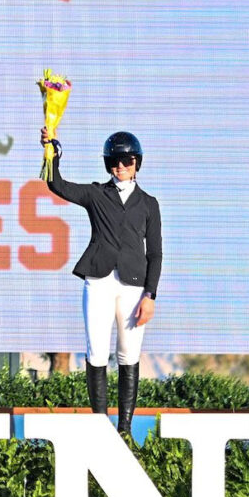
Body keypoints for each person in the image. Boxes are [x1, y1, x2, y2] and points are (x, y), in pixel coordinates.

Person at [39, 126, 161, 435]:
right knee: (96, 352)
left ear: (137, 163)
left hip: (134, 287)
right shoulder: (96, 194)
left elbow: (155, 253)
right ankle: (100, 427)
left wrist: (150, 295)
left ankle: (124, 429)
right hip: (99, 282)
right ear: (108, 164)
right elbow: (57, 185)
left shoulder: (149, 203)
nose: (121, 166)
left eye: (127, 161)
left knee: (129, 354)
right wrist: (51, 152)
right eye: (114, 162)